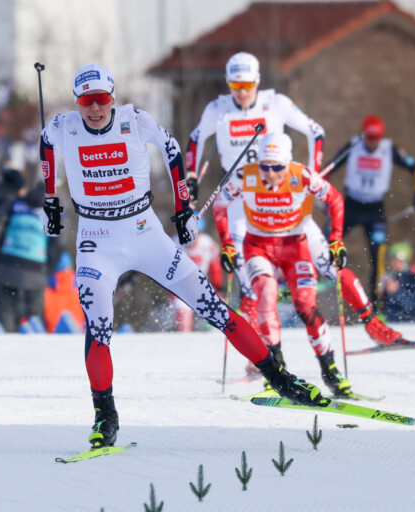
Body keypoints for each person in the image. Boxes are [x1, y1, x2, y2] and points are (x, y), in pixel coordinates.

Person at [39, 63, 328, 449]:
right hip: (96, 239)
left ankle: (280, 378)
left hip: (146, 234)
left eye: (102, 100)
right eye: (86, 102)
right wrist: (51, 202)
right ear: (78, 103)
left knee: (214, 307)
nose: (94, 109)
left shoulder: (135, 120)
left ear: (113, 97)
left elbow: (173, 150)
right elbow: (45, 145)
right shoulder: (63, 127)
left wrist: (182, 211)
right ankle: (104, 417)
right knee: (98, 328)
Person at [185, 52, 405, 351]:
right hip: (240, 197)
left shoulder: (276, 102)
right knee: (250, 283)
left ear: (257, 80)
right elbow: (197, 139)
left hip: (283, 196)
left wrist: (313, 170)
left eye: (247, 84)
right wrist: (192, 177)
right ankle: (258, 357)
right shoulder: (218, 108)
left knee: (329, 262)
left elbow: (315, 130)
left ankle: (374, 325)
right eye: (235, 85)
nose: (242, 92)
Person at [213, 132, 352, 397]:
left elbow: (335, 199)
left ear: (287, 163)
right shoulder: (246, 175)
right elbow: (220, 205)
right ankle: (277, 371)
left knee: (305, 305)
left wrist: (335, 239)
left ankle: (330, 371)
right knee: (265, 295)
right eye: (266, 166)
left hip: (294, 246)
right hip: (258, 246)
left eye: (277, 167)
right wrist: (228, 243)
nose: (271, 174)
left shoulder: (302, 175)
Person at [328, 115, 415, 304]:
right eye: (369, 139)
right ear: (363, 135)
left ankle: (378, 304)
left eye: (376, 139)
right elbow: (328, 170)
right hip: (350, 206)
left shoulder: (389, 150)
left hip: (375, 210)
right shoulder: (353, 146)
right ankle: (312, 281)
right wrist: (326, 199)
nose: (373, 143)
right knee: (326, 242)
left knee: (378, 258)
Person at [0, 182, 48, 332]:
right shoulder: (53, 210)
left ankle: (8, 340)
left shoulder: (15, 205)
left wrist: (0, 252)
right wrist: (49, 264)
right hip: (36, 265)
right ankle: (35, 343)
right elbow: (60, 241)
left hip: (9, 262)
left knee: (7, 307)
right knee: (34, 310)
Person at [170, 218, 223, 332]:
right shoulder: (175, 243)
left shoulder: (208, 244)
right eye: (186, 233)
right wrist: (172, 290)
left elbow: (215, 267)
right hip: (181, 288)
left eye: (194, 234)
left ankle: (213, 336)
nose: (191, 239)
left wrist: (217, 286)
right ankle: (184, 341)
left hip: (202, 285)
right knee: (183, 315)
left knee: (219, 311)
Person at [379, 242, 415, 322]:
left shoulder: (414, 275)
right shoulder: (388, 276)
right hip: (390, 322)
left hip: (411, 322)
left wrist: (396, 291)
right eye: (392, 259)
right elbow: (380, 304)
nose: (394, 263)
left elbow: (414, 306)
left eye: (397, 260)